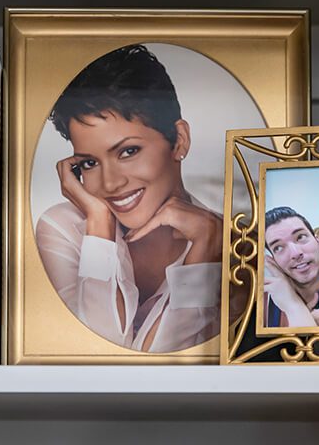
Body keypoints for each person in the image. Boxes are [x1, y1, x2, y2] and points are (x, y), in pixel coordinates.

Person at [34, 44, 222, 353]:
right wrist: (99, 227)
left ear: (180, 141)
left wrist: (204, 249)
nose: (111, 183)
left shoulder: (237, 245)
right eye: (89, 163)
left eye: (128, 151)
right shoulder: (63, 229)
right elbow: (94, 356)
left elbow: (171, 371)